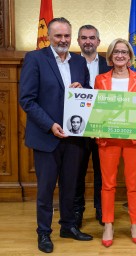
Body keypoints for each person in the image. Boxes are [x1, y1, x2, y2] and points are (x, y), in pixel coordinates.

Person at [19, 17, 93, 254]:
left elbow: (89, 94)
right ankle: (43, 233)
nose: (63, 40)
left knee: (71, 186)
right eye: (58, 35)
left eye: (67, 36)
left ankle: (68, 226)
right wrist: (50, 125)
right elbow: (27, 100)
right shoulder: (35, 59)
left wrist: (84, 91)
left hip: (74, 136)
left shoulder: (80, 61)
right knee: (46, 189)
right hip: (46, 137)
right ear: (49, 36)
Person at [95, 38, 136, 247]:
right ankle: (108, 223)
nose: (120, 55)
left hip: (133, 138)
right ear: (110, 56)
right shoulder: (100, 79)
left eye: (124, 52)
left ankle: (135, 223)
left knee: (133, 184)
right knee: (108, 184)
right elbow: (98, 109)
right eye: (116, 52)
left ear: (130, 56)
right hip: (108, 138)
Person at [73, 24, 112, 228]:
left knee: (102, 172)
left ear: (98, 41)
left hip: (103, 126)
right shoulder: (69, 63)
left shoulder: (109, 64)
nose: (88, 41)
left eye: (92, 38)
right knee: (77, 172)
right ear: (78, 41)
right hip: (77, 128)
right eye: (83, 37)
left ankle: (101, 210)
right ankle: (77, 212)